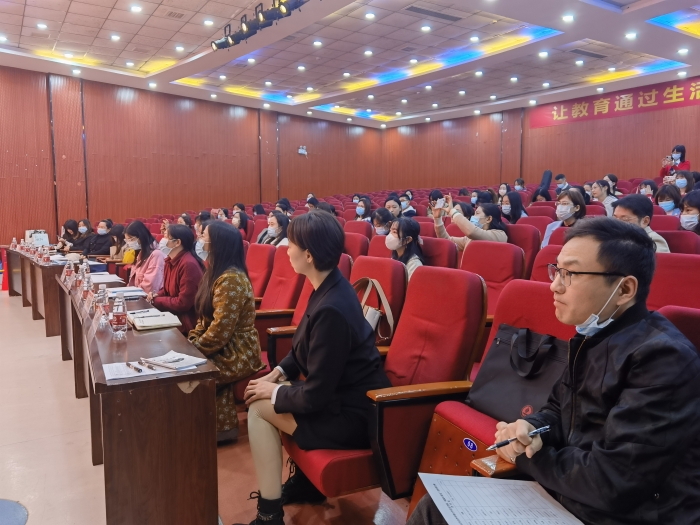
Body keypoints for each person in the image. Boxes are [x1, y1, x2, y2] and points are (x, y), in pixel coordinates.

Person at [409, 217, 700, 525]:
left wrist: (526, 456)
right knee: (436, 508)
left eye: (570, 274)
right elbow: (558, 410)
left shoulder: (663, 358)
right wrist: (529, 428)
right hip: (574, 496)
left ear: (624, 289)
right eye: (557, 271)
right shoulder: (591, 336)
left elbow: (615, 480)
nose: (554, 286)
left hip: (621, 514)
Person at [240, 211, 391, 525]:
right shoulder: (327, 285)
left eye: (291, 244)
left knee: (258, 408)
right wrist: (278, 374)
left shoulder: (332, 307)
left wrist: (273, 392)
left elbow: (315, 396)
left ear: (308, 255)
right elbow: (303, 347)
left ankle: (269, 516)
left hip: (352, 415)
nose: (286, 250)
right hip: (337, 398)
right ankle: (306, 485)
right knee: (267, 395)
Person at [188, 221, 264, 444]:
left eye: (204, 237)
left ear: (217, 244)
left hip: (238, 350)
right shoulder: (214, 273)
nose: (200, 240)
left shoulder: (231, 279)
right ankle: (202, 426)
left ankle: (214, 430)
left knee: (193, 372)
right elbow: (204, 318)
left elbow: (220, 332)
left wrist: (193, 349)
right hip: (222, 344)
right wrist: (193, 339)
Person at [147, 224, 205, 334]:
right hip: (172, 315)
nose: (162, 240)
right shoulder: (170, 260)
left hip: (185, 322)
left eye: (166, 237)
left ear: (177, 242)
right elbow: (167, 290)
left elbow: (183, 303)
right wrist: (156, 295)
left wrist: (156, 301)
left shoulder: (188, 264)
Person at [435, 197, 507, 252]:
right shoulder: (470, 239)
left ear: (488, 219)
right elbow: (447, 241)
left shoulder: (500, 235)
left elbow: (472, 231)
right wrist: (437, 219)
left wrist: (452, 212)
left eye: (477, 213)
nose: (473, 217)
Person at [125, 220, 165, 293]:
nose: (129, 243)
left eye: (131, 239)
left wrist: (131, 293)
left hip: (147, 297)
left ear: (141, 237)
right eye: (127, 240)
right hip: (137, 294)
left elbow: (150, 286)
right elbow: (132, 282)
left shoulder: (156, 255)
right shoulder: (140, 253)